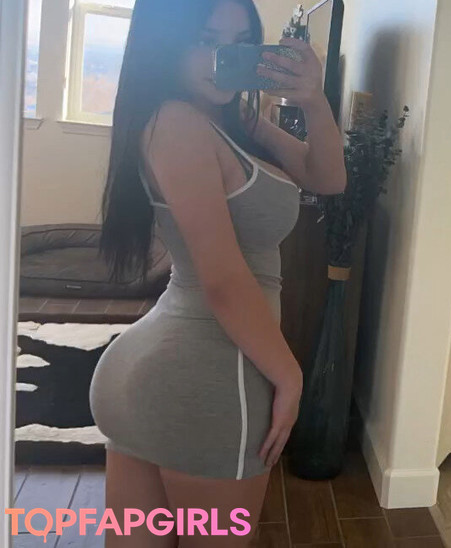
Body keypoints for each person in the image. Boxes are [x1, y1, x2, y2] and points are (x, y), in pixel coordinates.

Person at [89, 0, 346, 545]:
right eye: (205, 40)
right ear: (166, 42)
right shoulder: (177, 122)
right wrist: (290, 376)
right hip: (207, 380)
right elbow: (224, 280)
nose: (220, 57)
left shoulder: (231, 118)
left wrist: (313, 100)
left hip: (162, 372)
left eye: (239, 41)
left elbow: (327, 177)